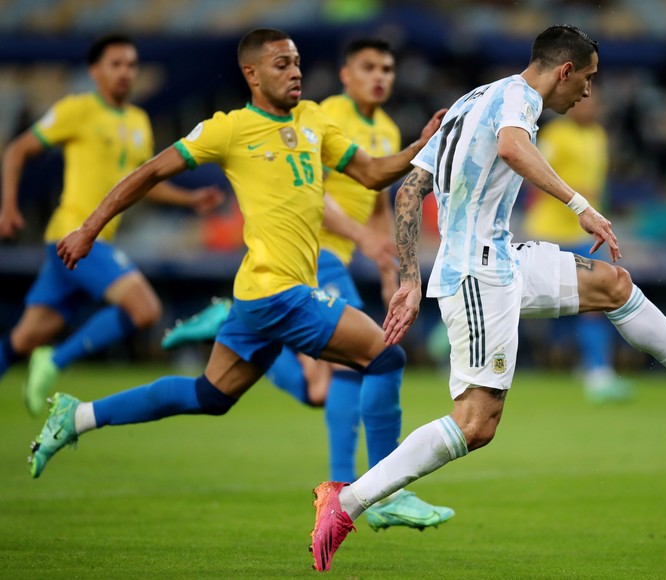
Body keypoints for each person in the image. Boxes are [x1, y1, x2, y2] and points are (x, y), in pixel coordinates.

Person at [308, 24, 666, 572]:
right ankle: (344, 502)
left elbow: (412, 190)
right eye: (587, 79)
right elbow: (512, 149)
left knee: (614, 285)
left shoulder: (475, 98)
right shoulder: (518, 102)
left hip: (503, 256)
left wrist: (411, 276)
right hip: (476, 275)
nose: (588, 92)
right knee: (475, 424)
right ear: (565, 72)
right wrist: (578, 203)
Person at [28, 29, 450, 536]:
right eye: (280, 64)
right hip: (279, 291)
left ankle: (77, 417)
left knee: (211, 395)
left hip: (256, 298)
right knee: (385, 355)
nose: (294, 72)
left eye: (296, 62)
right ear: (250, 73)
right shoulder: (229, 130)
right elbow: (149, 172)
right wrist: (89, 228)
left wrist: (419, 147)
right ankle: (384, 492)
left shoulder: (314, 121)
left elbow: (373, 173)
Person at [160, 38, 453, 530]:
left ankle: (225, 320)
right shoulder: (321, 113)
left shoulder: (383, 127)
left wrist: (391, 271)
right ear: (345, 75)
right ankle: (352, 488)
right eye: (368, 67)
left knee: (325, 387)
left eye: (387, 68)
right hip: (312, 256)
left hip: (336, 263)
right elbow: (311, 194)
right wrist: (361, 235)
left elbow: (377, 197)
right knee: (363, 366)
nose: (380, 76)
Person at [0, 34, 223, 416]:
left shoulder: (137, 120)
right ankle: (54, 361)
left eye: (132, 65)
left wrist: (189, 199)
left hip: (89, 245)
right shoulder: (77, 109)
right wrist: (8, 207)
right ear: (95, 71)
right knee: (146, 309)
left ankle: (42, 356)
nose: (125, 73)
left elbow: (141, 184)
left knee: (24, 337)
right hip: (74, 234)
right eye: (116, 64)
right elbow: (18, 149)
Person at [523, 91, 630, 402]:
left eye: (595, 101)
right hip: (548, 232)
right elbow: (533, 172)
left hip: (584, 236)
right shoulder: (556, 135)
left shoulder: (598, 135)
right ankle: (451, 338)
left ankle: (596, 371)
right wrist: (573, 193)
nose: (590, 106)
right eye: (584, 101)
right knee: (513, 299)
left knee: (598, 302)